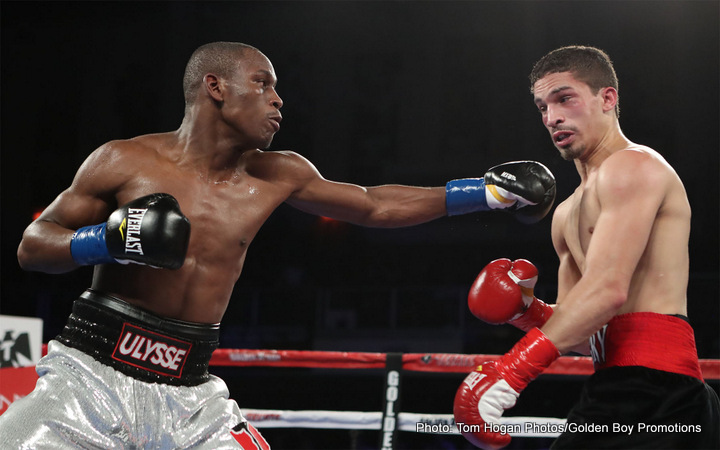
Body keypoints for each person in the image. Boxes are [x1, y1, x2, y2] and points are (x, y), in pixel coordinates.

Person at [0, 42, 555, 448]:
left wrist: (484, 193)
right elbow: (34, 245)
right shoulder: (124, 160)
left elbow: (373, 204)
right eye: (262, 83)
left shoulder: (278, 173)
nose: (278, 99)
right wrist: (110, 240)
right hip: (91, 372)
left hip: (191, 392)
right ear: (215, 87)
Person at [453, 45, 720, 449]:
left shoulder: (635, 166)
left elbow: (608, 290)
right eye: (542, 106)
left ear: (607, 99)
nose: (552, 116)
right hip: (626, 389)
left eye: (565, 98)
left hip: (658, 390)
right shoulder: (565, 213)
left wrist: (511, 372)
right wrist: (528, 313)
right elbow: (583, 330)